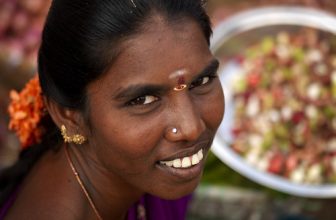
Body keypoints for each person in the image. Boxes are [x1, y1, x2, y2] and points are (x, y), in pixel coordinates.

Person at [0, 0, 225, 219]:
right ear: (69, 116)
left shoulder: (139, 171)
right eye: (144, 100)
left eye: (202, 81)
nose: (192, 128)